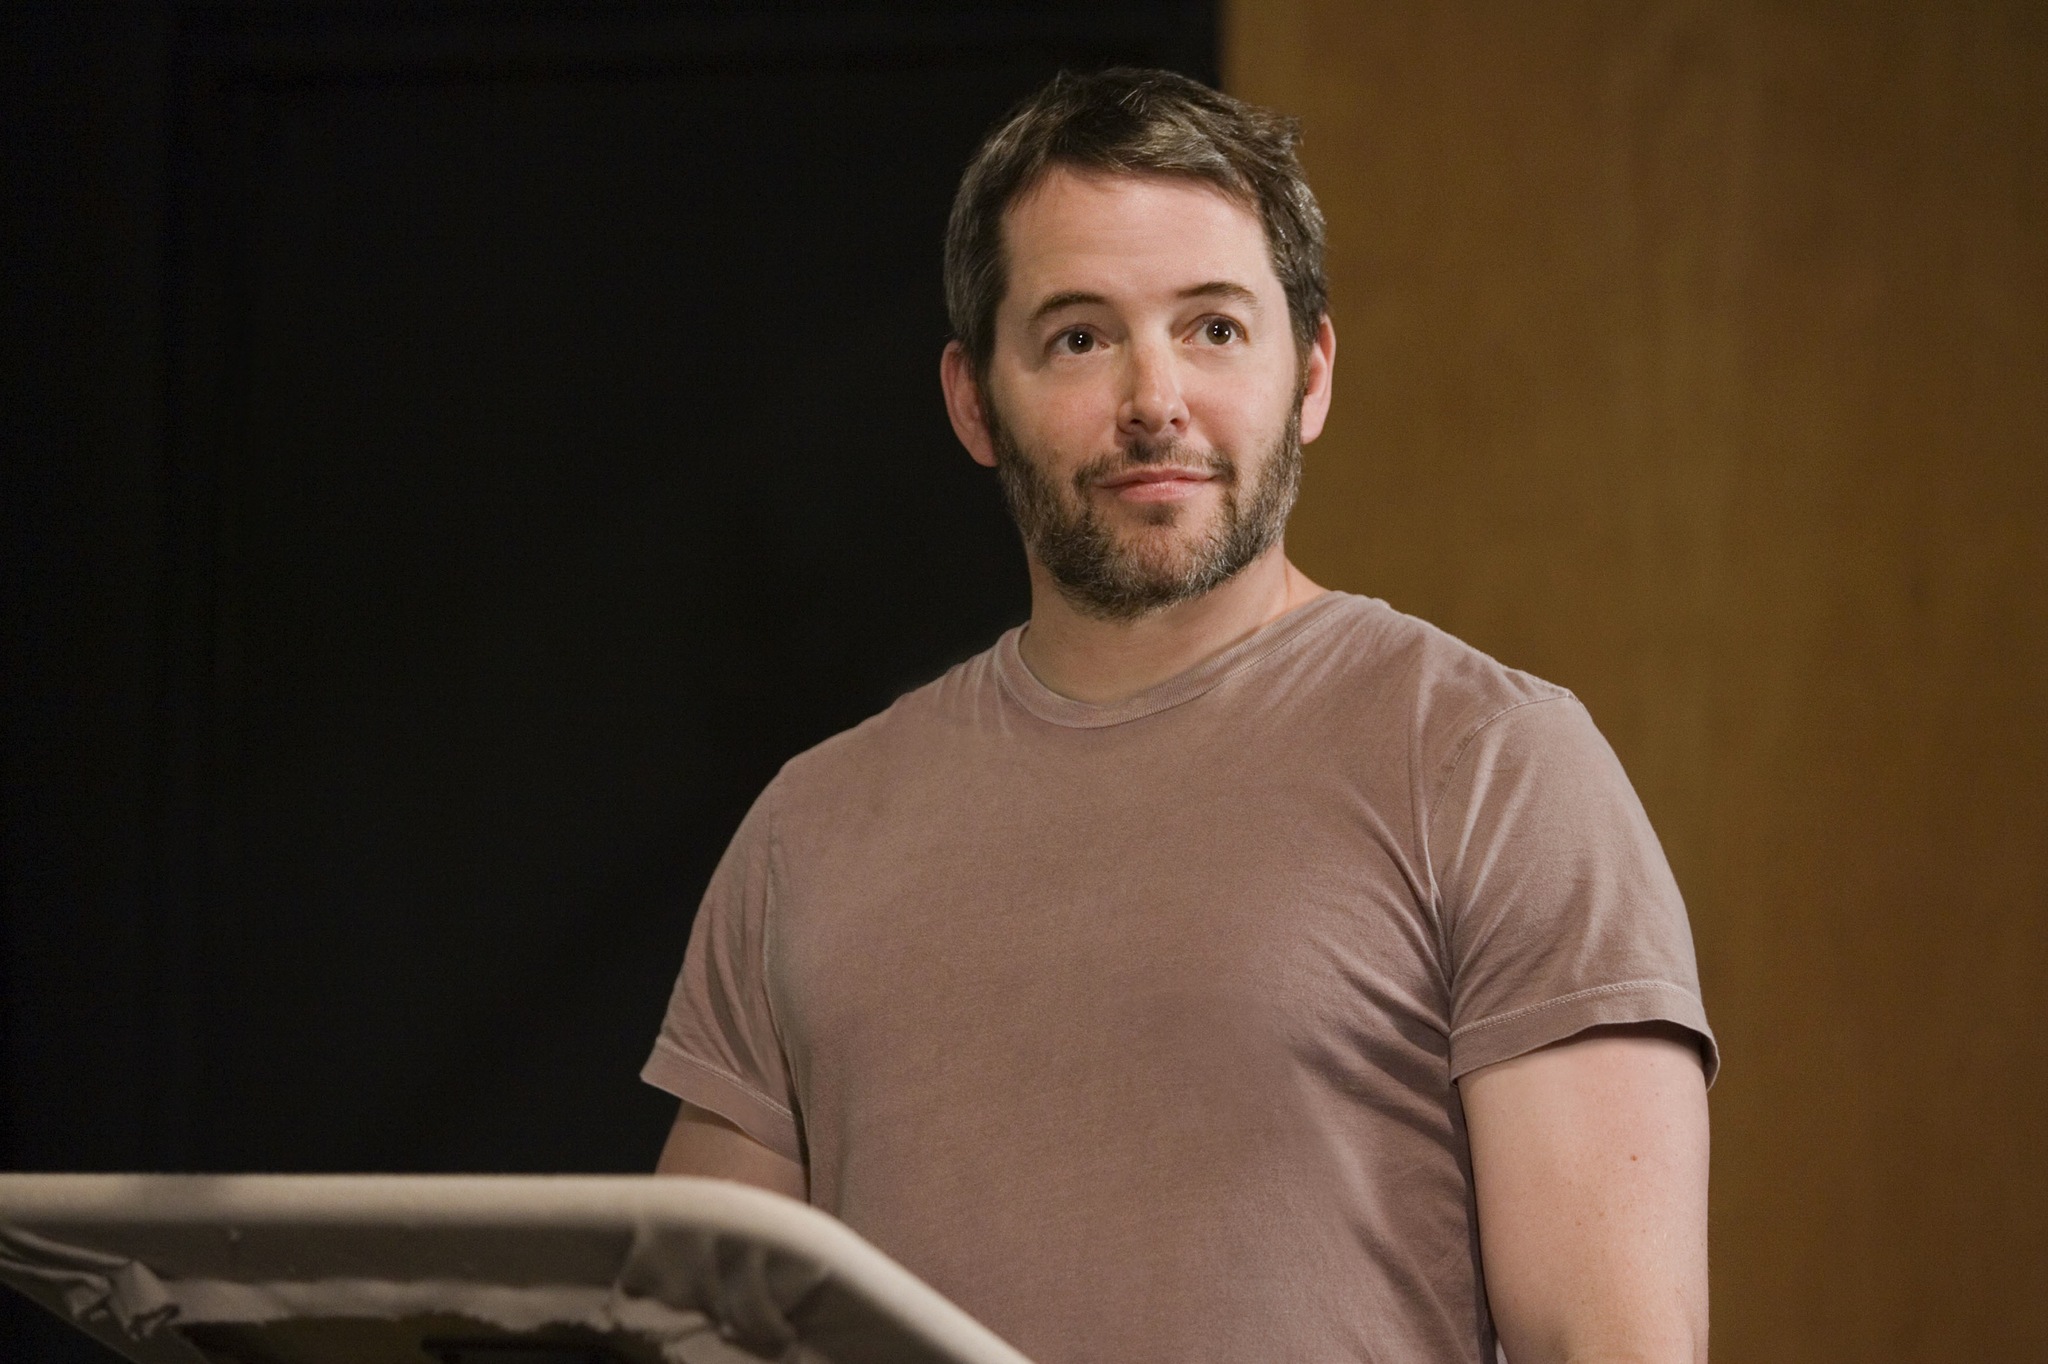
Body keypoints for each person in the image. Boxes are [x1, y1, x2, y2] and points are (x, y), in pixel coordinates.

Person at [643, 68, 1715, 1364]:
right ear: (974, 401)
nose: (1155, 398)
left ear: (1310, 374)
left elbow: (1614, 1348)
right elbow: (686, 1334)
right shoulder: (807, 832)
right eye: (1079, 338)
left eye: (1213, 328)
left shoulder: (1490, 767)